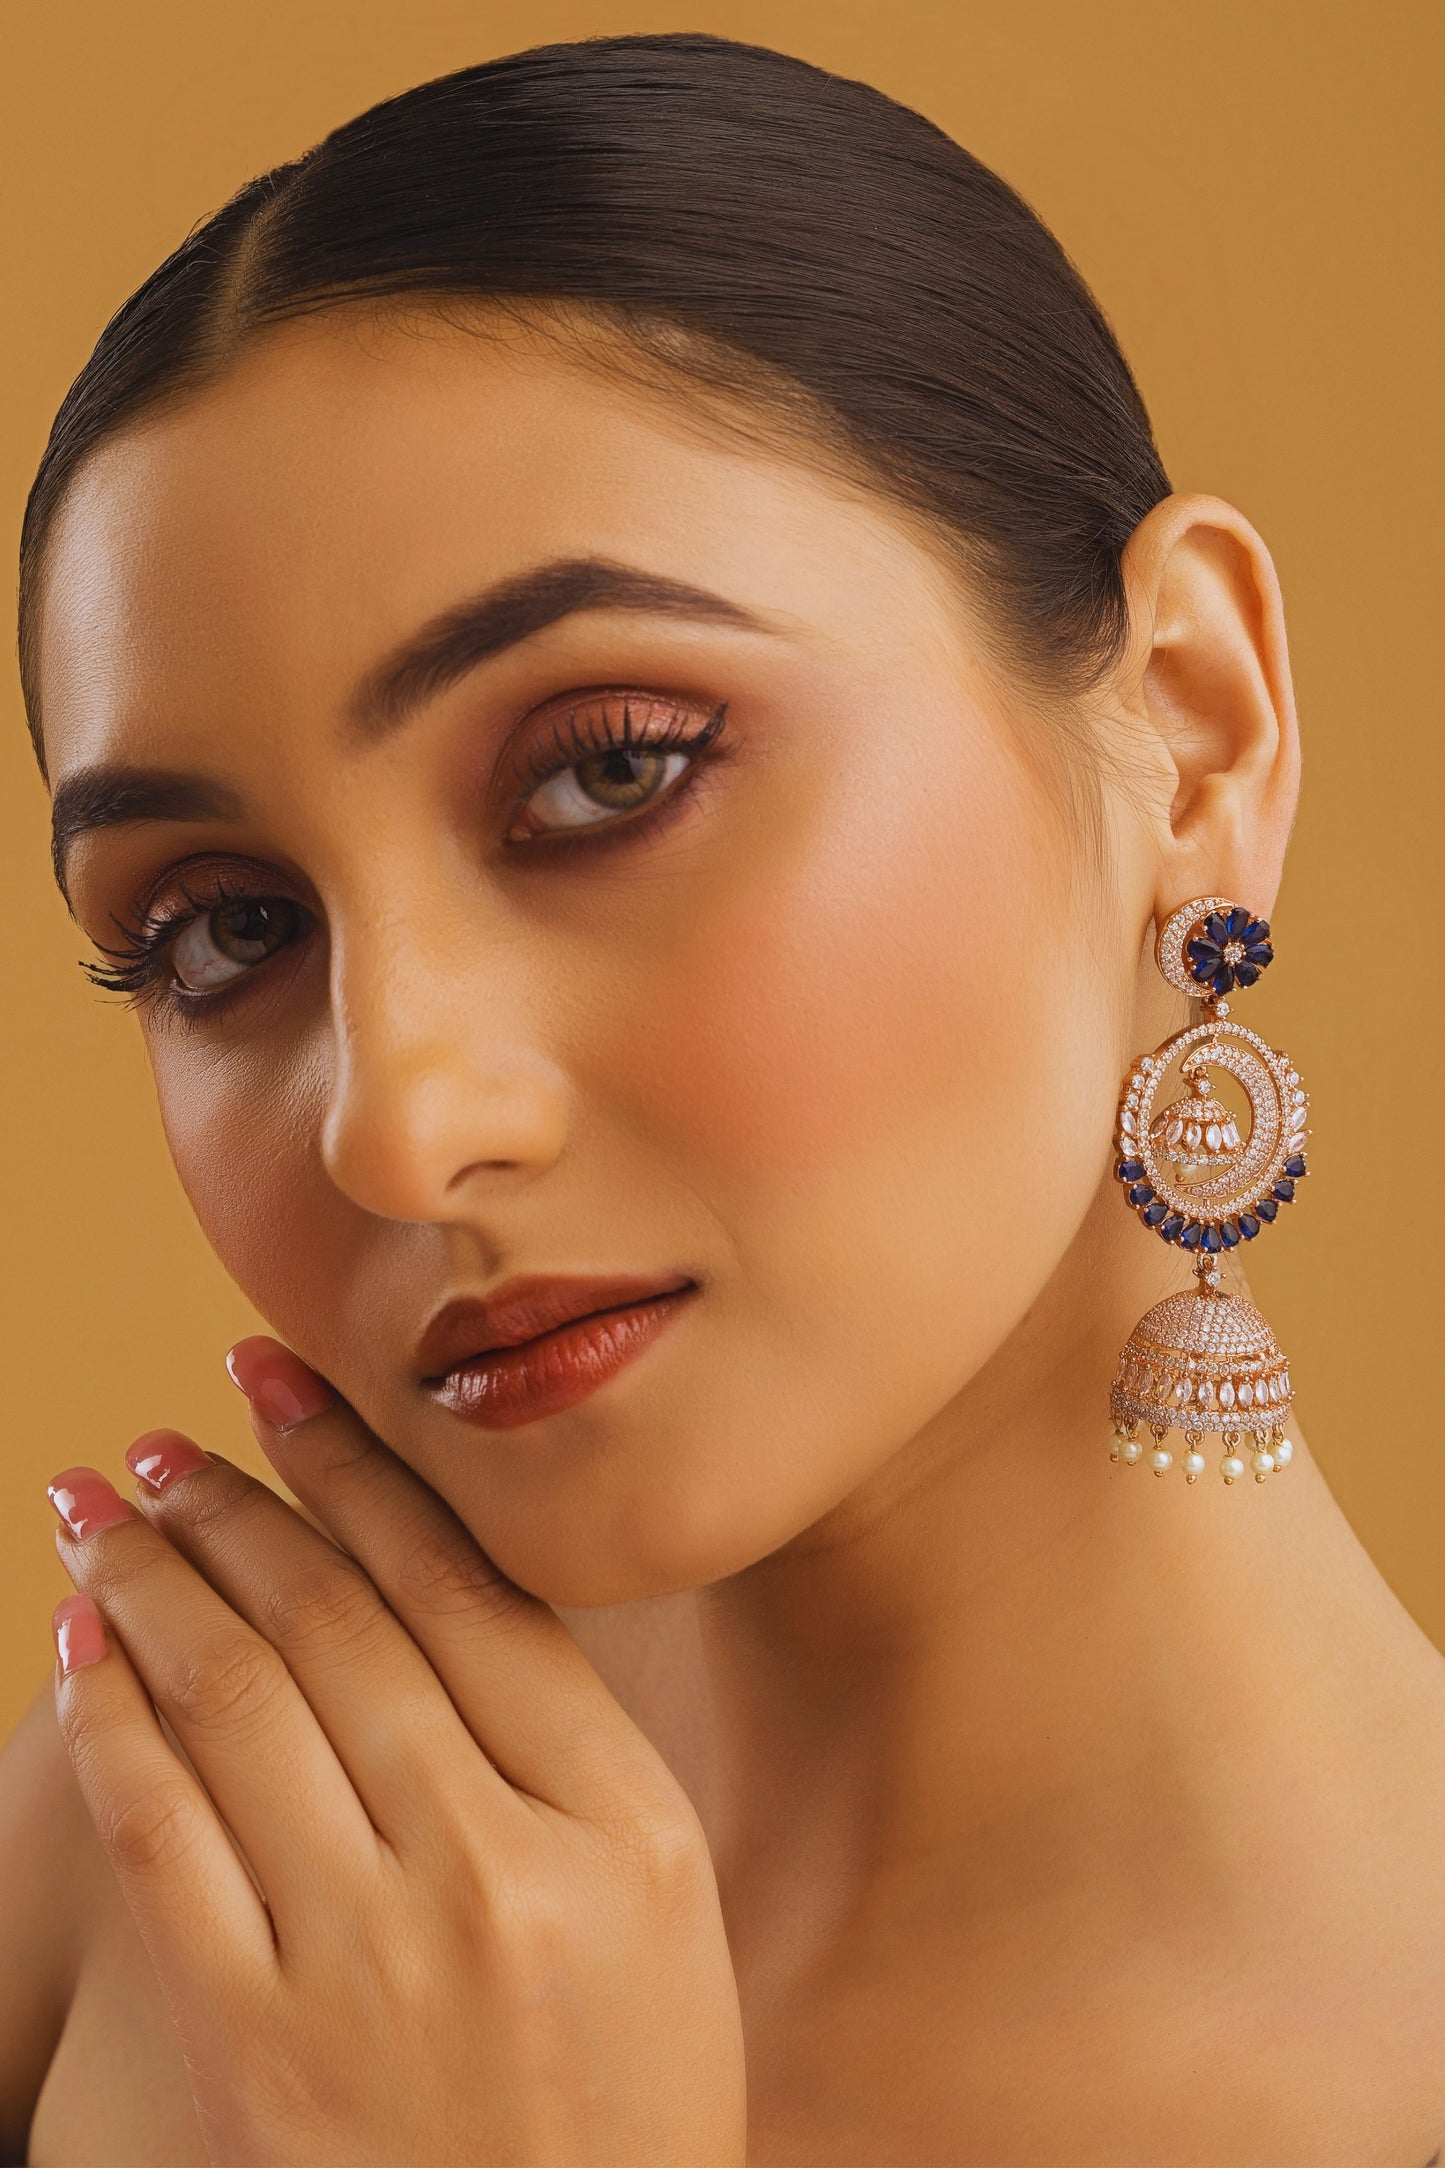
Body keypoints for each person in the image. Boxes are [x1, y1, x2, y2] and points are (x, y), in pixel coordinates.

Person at [3, 31, 1443, 2167]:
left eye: (610, 768)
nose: (397, 1124)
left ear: (1196, 735)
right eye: (226, 926)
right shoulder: (184, 1840)